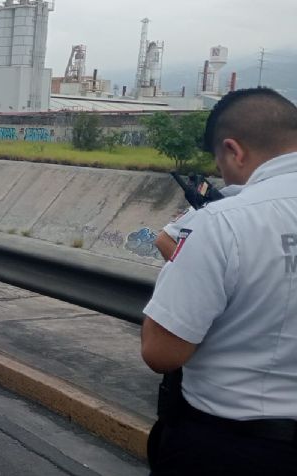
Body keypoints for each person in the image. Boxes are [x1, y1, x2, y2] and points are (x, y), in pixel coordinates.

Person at [141, 87, 297, 474]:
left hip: (229, 446)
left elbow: (162, 353)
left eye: (219, 161)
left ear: (233, 150)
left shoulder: (222, 221)